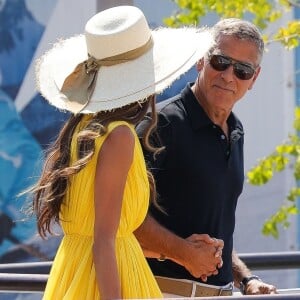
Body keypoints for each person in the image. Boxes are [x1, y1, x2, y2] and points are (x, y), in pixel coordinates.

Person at [30, 5, 217, 300]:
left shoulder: (84, 128)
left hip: (76, 273)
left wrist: (180, 254)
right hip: (109, 281)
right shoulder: (119, 135)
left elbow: (109, 236)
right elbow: (104, 241)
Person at [135, 18, 278, 297]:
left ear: (254, 78)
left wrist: (246, 279)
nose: (228, 76)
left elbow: (215, 229)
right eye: (221, 61)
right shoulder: (160, 124)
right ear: (201, 60)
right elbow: (121, 218)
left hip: (223, 293)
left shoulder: (235, 130)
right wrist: (183, 253)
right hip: (162, 292)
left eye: (242, 70)